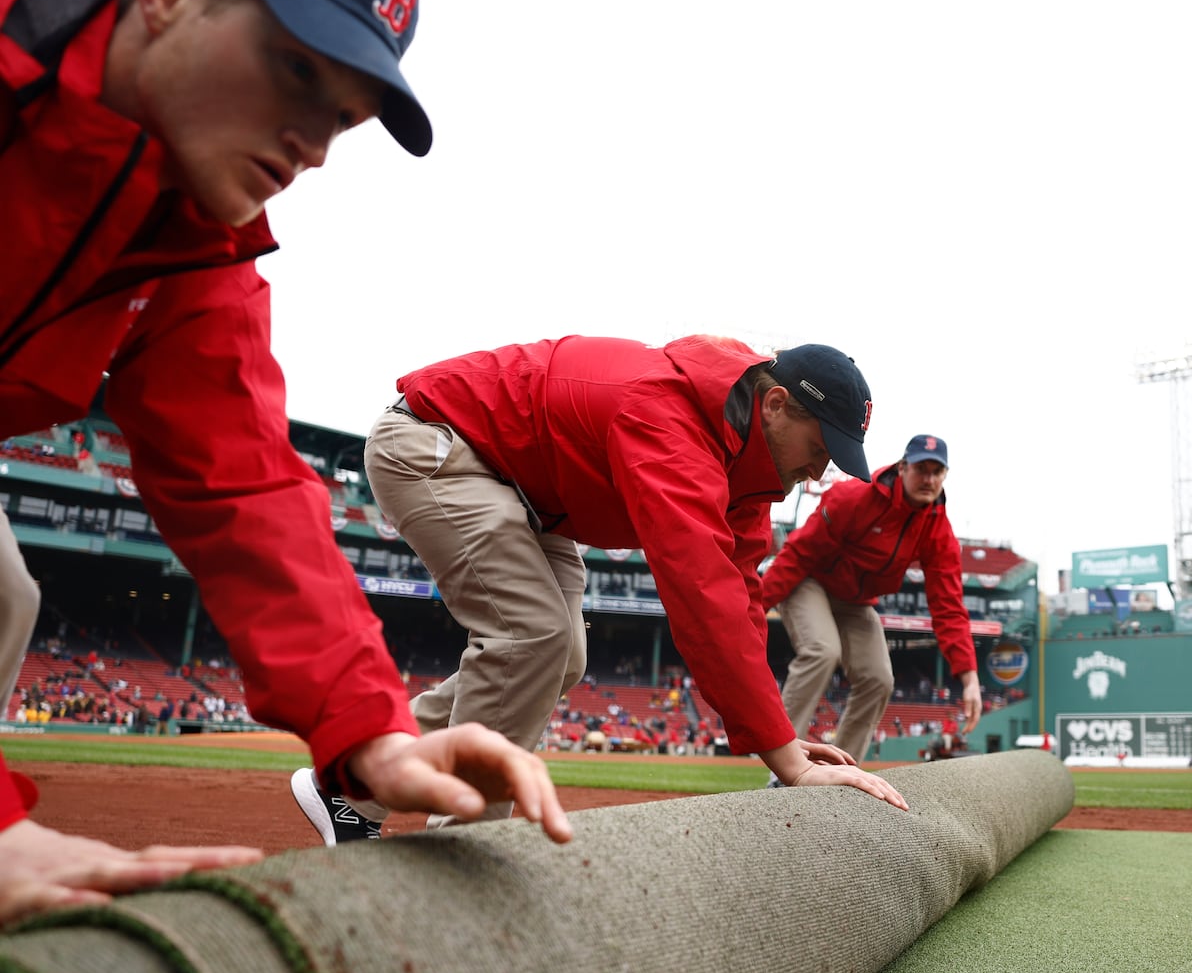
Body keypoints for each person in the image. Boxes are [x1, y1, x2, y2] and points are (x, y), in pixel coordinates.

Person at [0, 0, 571, 923]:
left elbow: (248, 486)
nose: (314, 143)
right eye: (297, 68)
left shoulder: (193, 236)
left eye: (344, 117)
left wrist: (374, 736)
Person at [291, 336, 910, 843]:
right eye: (820, 446)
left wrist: (775, 730)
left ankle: (348, 778)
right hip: (437, 445)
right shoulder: (669, 418)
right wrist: (788, 762)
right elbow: (700, 595)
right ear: (775, 404)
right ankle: (464, 848)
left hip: (530, 492)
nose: (819, 470)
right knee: (530, 635)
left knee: (561, 653)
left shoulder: (742, 464)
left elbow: (739, 596)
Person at [759, 434, 982, 770]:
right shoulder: (854, 496)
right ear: (903, 467)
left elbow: (948, 607)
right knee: (823, 650)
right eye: (922, 468)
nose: (930, 479)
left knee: (879, 678)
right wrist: (752, 611)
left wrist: (970, 678)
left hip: (856, 599)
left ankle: (841, 772)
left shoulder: (938, 531)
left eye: (938, 472)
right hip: (809, 579)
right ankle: (782, 762)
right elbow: (798, 554)